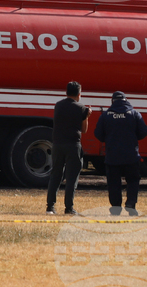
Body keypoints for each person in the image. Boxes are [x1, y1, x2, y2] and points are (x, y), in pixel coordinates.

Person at [93, 91, 147, 215]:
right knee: (133, 180)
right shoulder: (134, 114)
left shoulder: (106, 115)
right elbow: (144, 131)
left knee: (113, 183)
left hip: (112, 156)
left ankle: (116, 207)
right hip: (131, 156)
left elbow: (98, 134)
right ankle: (131, 204)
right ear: (125, 100)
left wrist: (108, 139)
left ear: (112, 101)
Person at [46, 81, 91, 215]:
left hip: (58, 144)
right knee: (72, 177)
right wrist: (87, 116)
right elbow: (84, 130)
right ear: (79, 93)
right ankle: (69, 207)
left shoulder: (58, 105)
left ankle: (50, 206)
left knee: (55, 175)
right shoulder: (81, 108)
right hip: (73, 144)